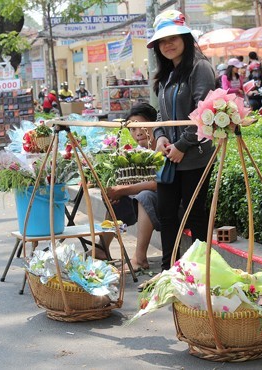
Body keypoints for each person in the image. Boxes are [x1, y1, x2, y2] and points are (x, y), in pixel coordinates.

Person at [148, 9, 215, 271]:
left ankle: (201, 275)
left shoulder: (200, 67)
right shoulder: (165, 75)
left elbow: (206, 112)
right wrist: (161, 136)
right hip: (168, 159)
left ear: (186, 38)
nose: (168, 44)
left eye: (174, 38)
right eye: (163, 41)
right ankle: (169, 273)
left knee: (195, 216)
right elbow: (158, 115)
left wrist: (182, 145)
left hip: (195, 157)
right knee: (167, 217)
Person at [95, 103, 160, 272]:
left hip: (168, 200)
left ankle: (140, 258)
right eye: (132, 128)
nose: (137, 132)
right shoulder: (136, 152)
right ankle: (102, 247)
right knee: (115, 197)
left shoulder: (162, 147)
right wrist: (117, 190)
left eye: (141, 126)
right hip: (142, 201)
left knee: (144, 195)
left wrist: (123, 190)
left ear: (154, 124)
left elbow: (156, 184)